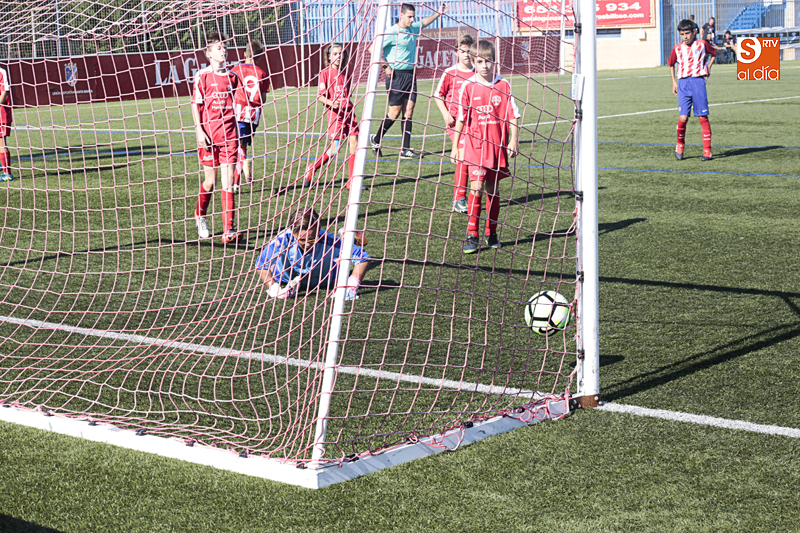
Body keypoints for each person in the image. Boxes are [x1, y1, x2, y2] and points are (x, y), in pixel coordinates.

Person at [450, 39, 520, 254]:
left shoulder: (503, 85)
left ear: (494, 62)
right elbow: (461, 118)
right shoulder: (467, 86)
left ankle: (491, 231)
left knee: (493, 190)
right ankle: (472, 234)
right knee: (476, 187)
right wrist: (455, 146)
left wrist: (513, 140)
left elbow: (513, 116)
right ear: (474, 62)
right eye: (480, 61)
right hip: (474, 146)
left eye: (488, 61)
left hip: (496, 148)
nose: (485, 66)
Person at [370, 2, 449, 159]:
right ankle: (376, 139)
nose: (412, 20)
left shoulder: (413, 28)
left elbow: (425, 21)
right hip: (396, 76)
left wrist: (438, 13)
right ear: (401, 16)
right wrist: (386, 66)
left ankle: (405, 149)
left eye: (413, 17)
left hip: (410, 75)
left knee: (409, 112)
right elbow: (372, 49)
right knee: (394, 113)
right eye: (409, 17)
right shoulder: (392, 32)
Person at [191, 32, 243, 244]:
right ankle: (200, 216)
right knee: (210, 182)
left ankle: (228, 229)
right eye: (219, 48)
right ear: (209, 53)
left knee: (228, 183)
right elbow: (195, 104)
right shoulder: (202, 76)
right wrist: (199, 132)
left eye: (225, 47)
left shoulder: (233, 77)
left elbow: (238, 105)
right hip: (209, 137)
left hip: (229, 136)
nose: (224, 50)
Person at [255, 207, 370, 301]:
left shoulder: (328, 240)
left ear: (319, 230)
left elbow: (363, 257)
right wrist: (274, 288)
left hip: (324, 280)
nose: (307, 244)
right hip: (285, 279)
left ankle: (351, 237)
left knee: (347, 246)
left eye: (312, 239)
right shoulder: (282, 240)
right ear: (293, 233)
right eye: (302, 240)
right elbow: (261, 264)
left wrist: (351, 286)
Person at [303, 43, 359, 190]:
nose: (338, 57)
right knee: (334, 149)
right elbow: (320, 97)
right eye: (334, 54)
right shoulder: (325, 73)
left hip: (349, 112)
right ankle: (312, 167)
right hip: (336, 115)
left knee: (355, 142)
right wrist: (330, 102)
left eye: (340, 54)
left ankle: (351, 181)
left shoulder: (345, 73)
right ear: (329, 56)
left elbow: (346, 94)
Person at [435, 34, 475, 214]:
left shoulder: (477, 72)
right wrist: (445, 113)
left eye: (469, 51)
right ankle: (459, 198)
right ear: (456, 52)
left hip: (475, 124)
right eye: (462, 50)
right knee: (463, 155)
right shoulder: (450, 72)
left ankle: (473, 194)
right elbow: (438, 95)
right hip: (455, 124)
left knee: (474, 158)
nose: (466, 54)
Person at [669, 19, 716, 162]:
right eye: (682, 34)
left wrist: (708, 67)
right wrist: (673, 82)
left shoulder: (702, 44)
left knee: (702, 117)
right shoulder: (677, 48)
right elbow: (671, 64)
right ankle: (680, 145)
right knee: (683, 117)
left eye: (687, 33)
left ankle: (707, 151)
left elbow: (713, 53)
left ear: (694, 32)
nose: (685, 37)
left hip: (698, 82)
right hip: (683, 83)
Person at [230, 39, 270, 193]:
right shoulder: (262, 73)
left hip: (238, 113)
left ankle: (235, 182)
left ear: (244, 53)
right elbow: (263, 99)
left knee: (236, 147)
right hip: (254, 115)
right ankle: (237, 181)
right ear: (259, 57)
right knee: (243, 146)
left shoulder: (235, 70)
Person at [0, 64, 13, 182]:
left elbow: (5, 91)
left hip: (1, 113)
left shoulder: (1, 72)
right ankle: (1, 164)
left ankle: (7, 173)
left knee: (1, 142)